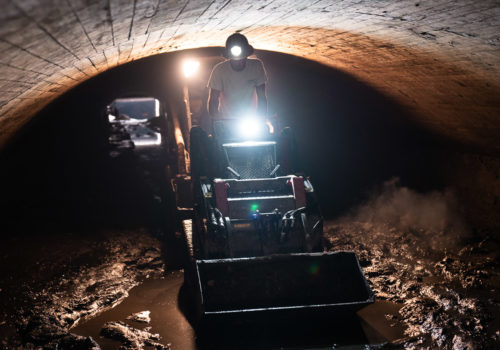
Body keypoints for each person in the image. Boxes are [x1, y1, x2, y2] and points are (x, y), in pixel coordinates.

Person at [207, 33, 268, 120]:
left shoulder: (256, 66)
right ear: (229, 57)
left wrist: (261, 118)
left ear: (246, 55)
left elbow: (262, 96)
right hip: (226, 119)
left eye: (242, 59)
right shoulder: (219, 70)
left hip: (250, 119)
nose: (239, 62)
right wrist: (217, 120)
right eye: (235, 60)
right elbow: (213, 99)